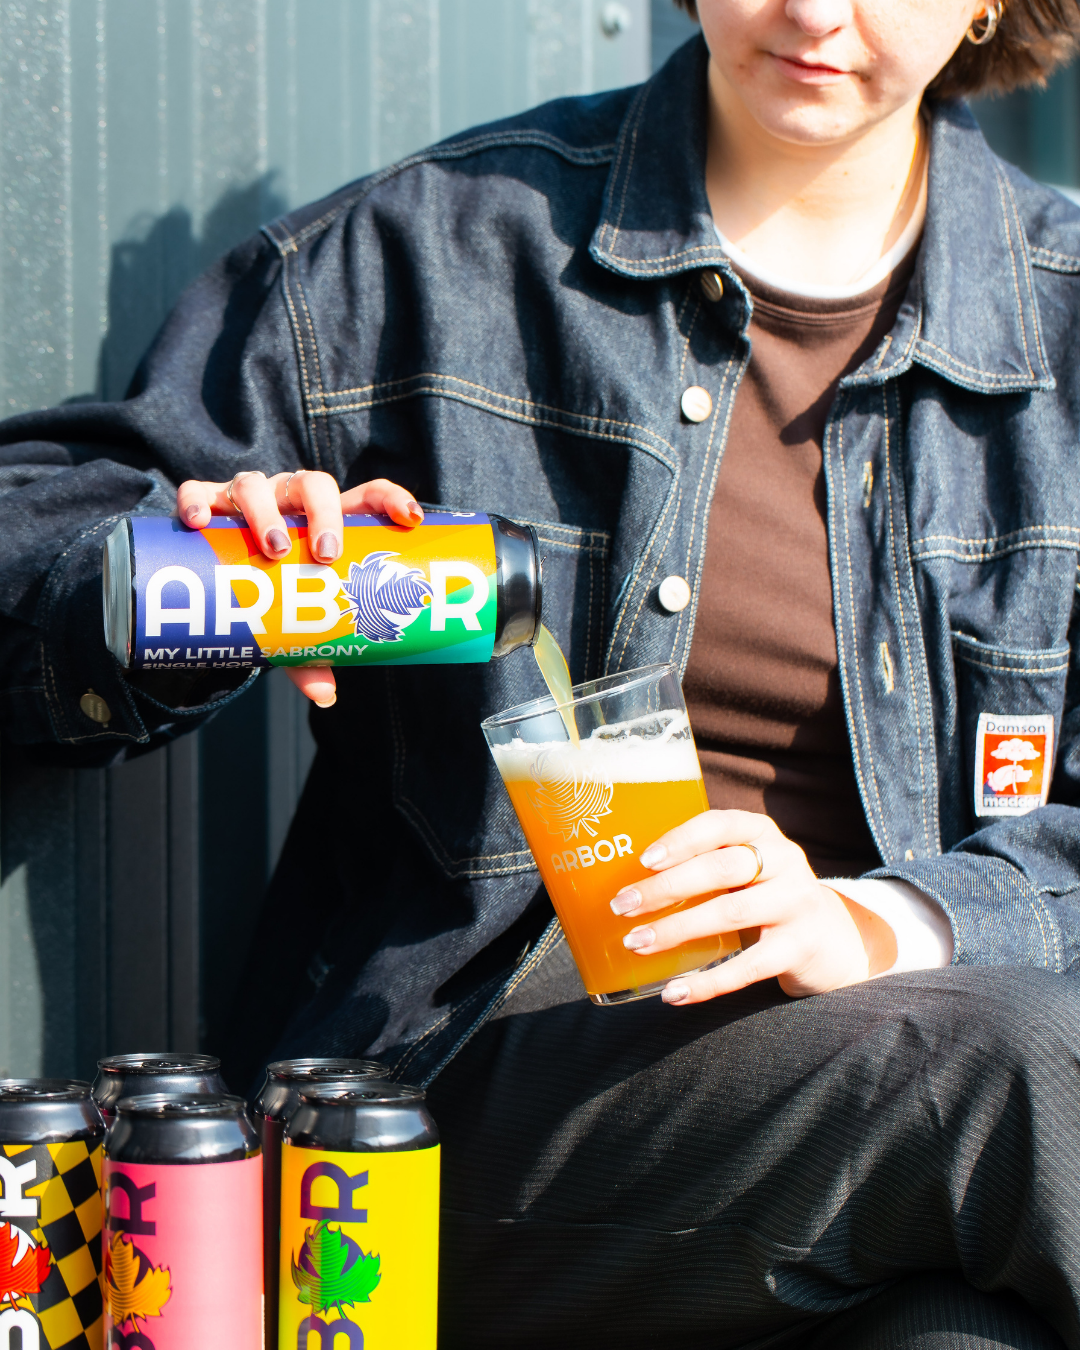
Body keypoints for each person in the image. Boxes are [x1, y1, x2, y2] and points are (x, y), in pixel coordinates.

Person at [2, 0, 1080, 1343]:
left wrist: (881, 920)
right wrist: (195, 571)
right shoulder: (436, 253)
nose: (812, 8)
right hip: (446, 1134)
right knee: (1029, 1060)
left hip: (872, 1133)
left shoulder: (1064, 328)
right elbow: (32, 537)